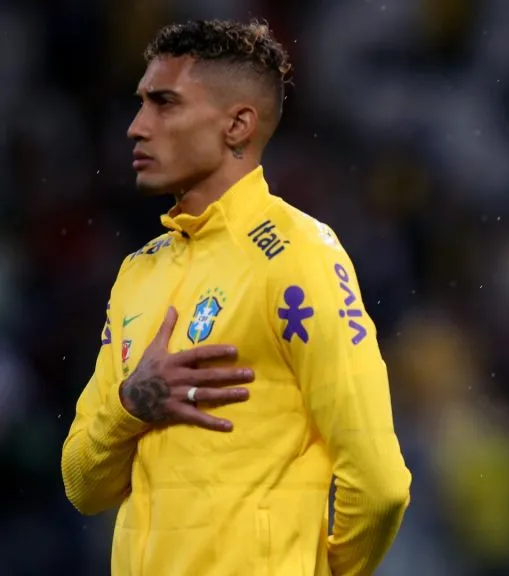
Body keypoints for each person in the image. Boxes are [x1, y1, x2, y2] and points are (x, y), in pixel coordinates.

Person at [60, 20, 411, 576]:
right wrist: (129, 406)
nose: (135, 127)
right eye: (140, 104)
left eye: (164, 104)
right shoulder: (138, 272)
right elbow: (84, 486)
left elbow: (380, 482)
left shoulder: (298, 255)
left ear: (237, 125)